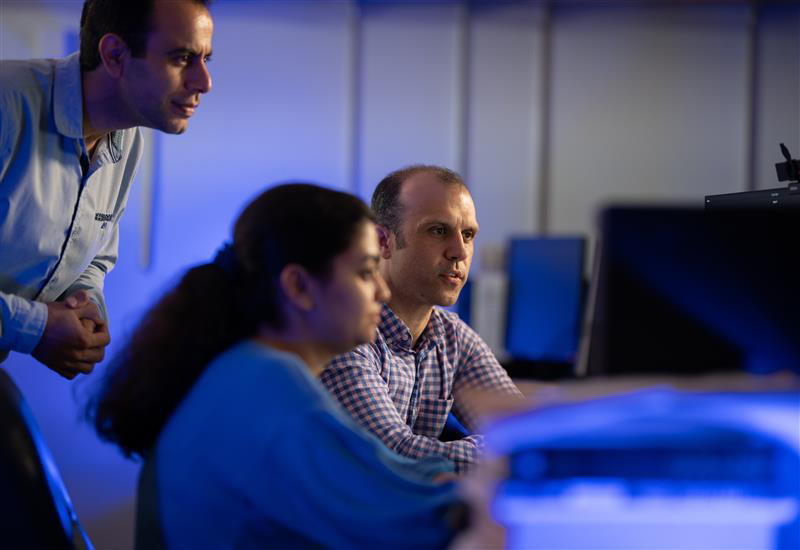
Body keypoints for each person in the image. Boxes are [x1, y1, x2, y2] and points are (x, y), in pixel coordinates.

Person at [88, 184, 466, 549]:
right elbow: (419, 523)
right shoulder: (271, 386)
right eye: (366, 273)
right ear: (299, 287)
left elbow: (378, 473)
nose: (382, 292)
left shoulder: (245, 369)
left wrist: (442, 483)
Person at [0, 0, 214, 379]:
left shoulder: (126, 139)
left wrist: (86, 310)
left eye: (205, 59)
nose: (204, 82)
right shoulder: (7, 103)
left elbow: (94, 259)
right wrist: (37, 328)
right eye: (182, 58)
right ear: (115, 55)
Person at [321, 165, 522, 474]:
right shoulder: (347, 331)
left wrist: (518, 445)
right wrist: (503, 452)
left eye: (468, 235)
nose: (459, 252)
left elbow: (524, 430)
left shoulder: (451, 336)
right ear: (382, 241)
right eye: (438, 231)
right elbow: (395, 455)